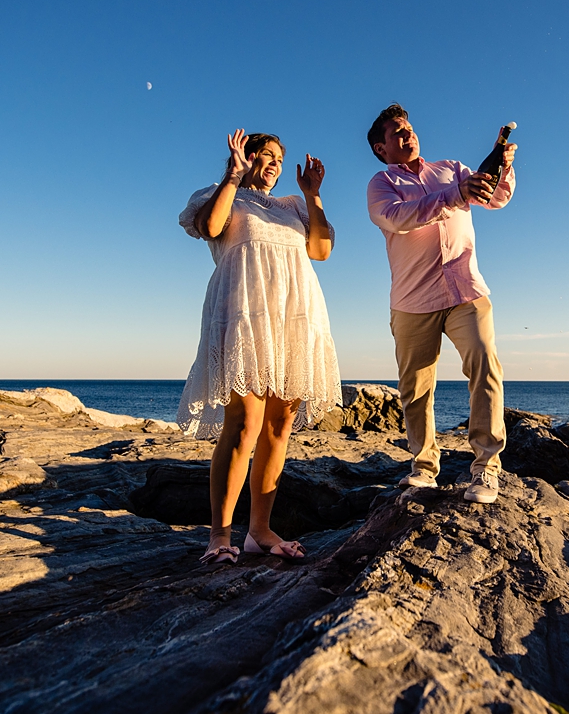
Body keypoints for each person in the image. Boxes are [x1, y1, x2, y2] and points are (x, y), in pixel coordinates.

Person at [176, 129, 341, 563]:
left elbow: (321, 250)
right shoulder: (221, 194)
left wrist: (313, 196)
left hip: (294, 318)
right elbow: (210, 227)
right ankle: (219, 536)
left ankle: (260, 531)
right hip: (246, 317)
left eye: (279, 160)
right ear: (246, 157)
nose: (274, 164)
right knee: (244, 423)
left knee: (278, 427)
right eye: (265, 156)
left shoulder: (292, 207)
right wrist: (233, 178)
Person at [365, 104, 517, 504]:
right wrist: (454, 195)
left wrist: (502, 164)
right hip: (414, 299)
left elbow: (495, 197)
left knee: (485, 363)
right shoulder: (381, 183)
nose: (408, 135)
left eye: (409, 128)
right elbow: (399, 218)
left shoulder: (452, 167)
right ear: (381, 148)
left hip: (466, 289)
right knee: (415, 388)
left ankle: (486, 468)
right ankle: (423, 468)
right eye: (397, 133)